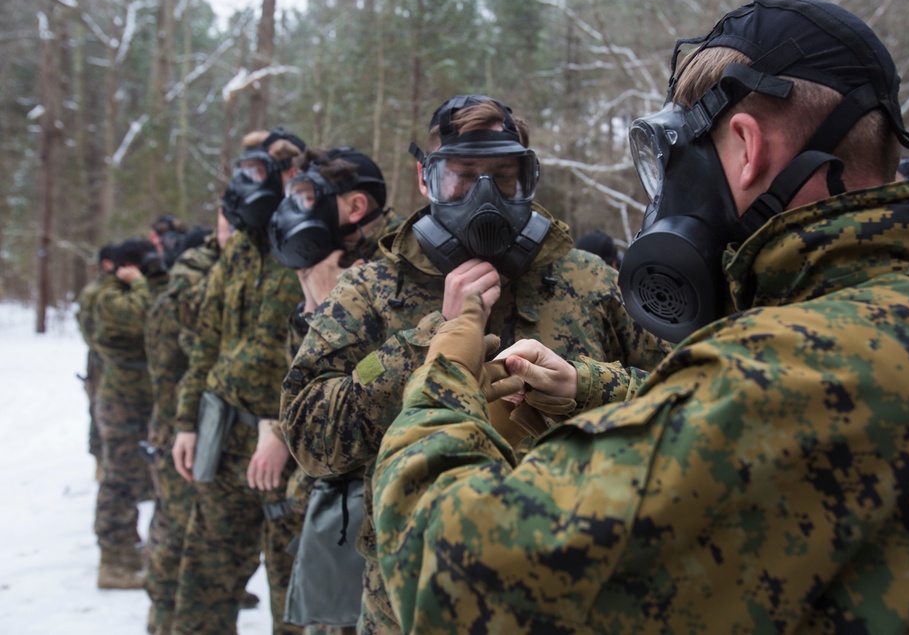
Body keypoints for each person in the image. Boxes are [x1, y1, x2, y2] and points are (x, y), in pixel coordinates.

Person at [372, 0, 909, 633]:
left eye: (679, 157)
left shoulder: (791, 370)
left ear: (745, 147)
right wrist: (585, 389)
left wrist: (446, 366)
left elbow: (445, 567)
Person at [280, 94, 668, 635]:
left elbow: (684, 399)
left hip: (575, 591)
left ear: (527, 179)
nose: (484, 195)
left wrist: (586, 385)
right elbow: (308, 437)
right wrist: (427, 344)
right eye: (461, 177)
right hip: (411, 598)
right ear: (426, 179)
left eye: (505, 177)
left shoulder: (591, 283)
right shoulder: (371, 289)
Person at [171, 127, 307, 635]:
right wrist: (187, 423)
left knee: (292, 599)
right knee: (203, 587)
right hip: (223, 434)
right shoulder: (242, 248)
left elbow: (326, 360)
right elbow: (208, 341)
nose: (244, 185)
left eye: (257, 173)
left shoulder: (311, 245)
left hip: (285, 455)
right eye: (243, 172)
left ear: (289, 175)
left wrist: (282, 429)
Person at [272, 146, 403, 635]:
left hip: (384, 502)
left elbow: (394, 377)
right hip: (326, 494)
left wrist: (333, 312)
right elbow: (302, 387)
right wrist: (313, 316)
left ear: (355, 207)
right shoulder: (322, 261)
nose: (295, 211)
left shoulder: (398, 267)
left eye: (307, 197)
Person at [143, 219, 220, 635]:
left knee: (174, 526)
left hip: (178, 426)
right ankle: (163, 618)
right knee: (175, 531)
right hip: (176, 427)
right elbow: (176, 364)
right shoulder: (172, 307)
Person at [91, 237, 169, 589]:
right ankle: (114, 560)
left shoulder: (129, 290)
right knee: (120, 480)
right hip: (121, 401)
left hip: (140, 399)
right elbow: (141, 317)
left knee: (138, 479)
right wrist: (138, 282)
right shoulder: (105, 295)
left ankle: (129, 550)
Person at [76, 242, 118, 475]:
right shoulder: (96, 292)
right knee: (99, 410)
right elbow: (88, 331)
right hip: (100, 363)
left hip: (113, 363)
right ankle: (100, 463)